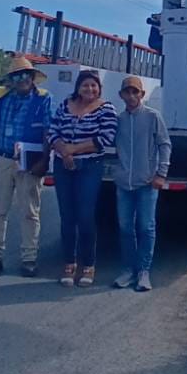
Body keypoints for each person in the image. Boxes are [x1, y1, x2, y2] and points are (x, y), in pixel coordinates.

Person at [0, 55, 53, 278]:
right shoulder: (0, 96)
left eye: (26, 75)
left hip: (30, 162)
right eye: (17, 76)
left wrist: (44, 161)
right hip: (2, 157)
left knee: (30, 212)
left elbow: (48, 131)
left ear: (32, 77)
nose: (22, 79)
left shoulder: (43, 98)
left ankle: (29, 258)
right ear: (10, 80)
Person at [49, 69, 117, 286]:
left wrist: (74, 149)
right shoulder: (65, 105)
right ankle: (69, 263)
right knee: (67, 216)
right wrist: (64, 152)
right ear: (78, 87)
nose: (90, 89)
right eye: (85, 85)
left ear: (99, 88)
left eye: (94, 85)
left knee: (85, 216)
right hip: (63, 165)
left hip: (90, 166)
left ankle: (88, 264)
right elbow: (52, 132)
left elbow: (105, 138)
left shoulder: (106, 109)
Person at [112, 75, 170, 293]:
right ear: (121, 95)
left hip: (146, 182)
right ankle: (129, 269)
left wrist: (161, 174)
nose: (131, 96)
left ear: (142, 94)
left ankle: (144, 271)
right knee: (125, 228)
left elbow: (165, 144)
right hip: (123, 184)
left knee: (146, 226)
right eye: (127, 92)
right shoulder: (118, 120)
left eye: (135, 92)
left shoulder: (153, 116)